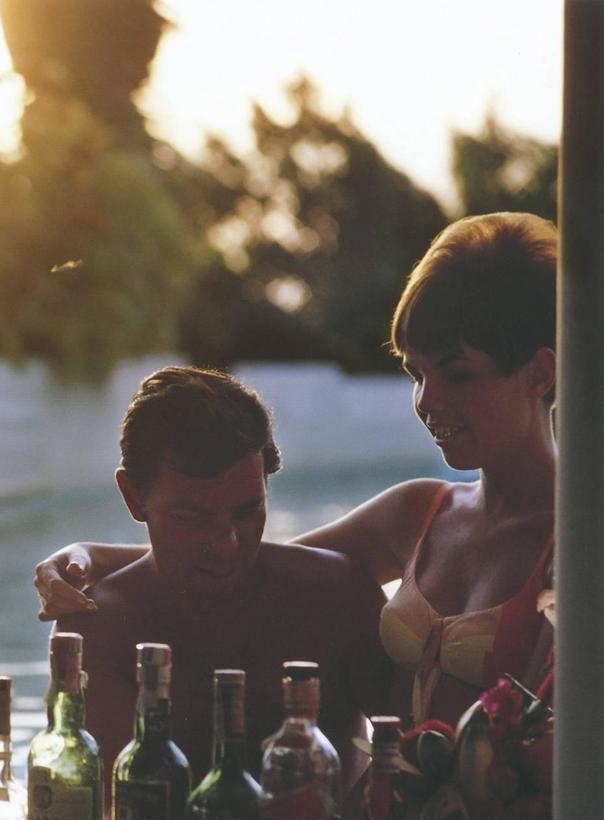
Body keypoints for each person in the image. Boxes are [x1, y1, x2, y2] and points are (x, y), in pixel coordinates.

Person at [35, 213, 558, 730]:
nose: (427, 400)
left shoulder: (578, 544)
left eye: (457, 374)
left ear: (540, 372)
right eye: (416, 373)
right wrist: (86, 557)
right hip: (394, 787)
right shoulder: (417, 513)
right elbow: (245, 561)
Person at [52, 367, 378, 793]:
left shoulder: (339, 593)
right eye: (193, 517)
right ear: (133, 497)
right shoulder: (98, 628)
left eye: (247, 511)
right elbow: (111, 805)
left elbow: (413, 758)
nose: (226, 544)